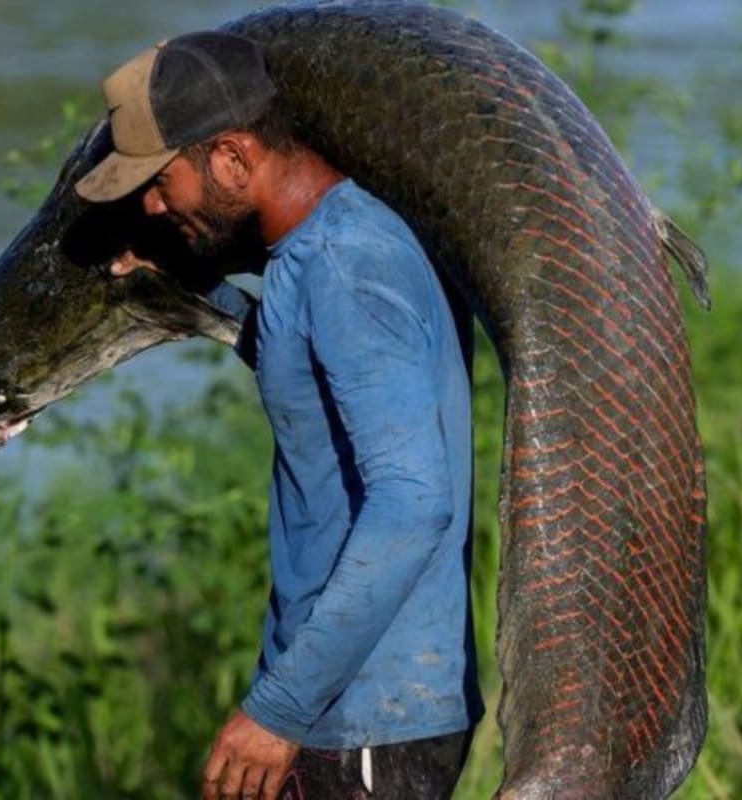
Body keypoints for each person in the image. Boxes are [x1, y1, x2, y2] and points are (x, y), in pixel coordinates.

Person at [75, 31, 482, 800]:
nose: (154, 204)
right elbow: (307, 369)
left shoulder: (346, 266)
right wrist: (200, 289)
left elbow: (412, 500)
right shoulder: (313, 251)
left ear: (232, 158)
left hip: (368, 715)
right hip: (351, 706)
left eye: (160, 182)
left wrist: (279, 710)